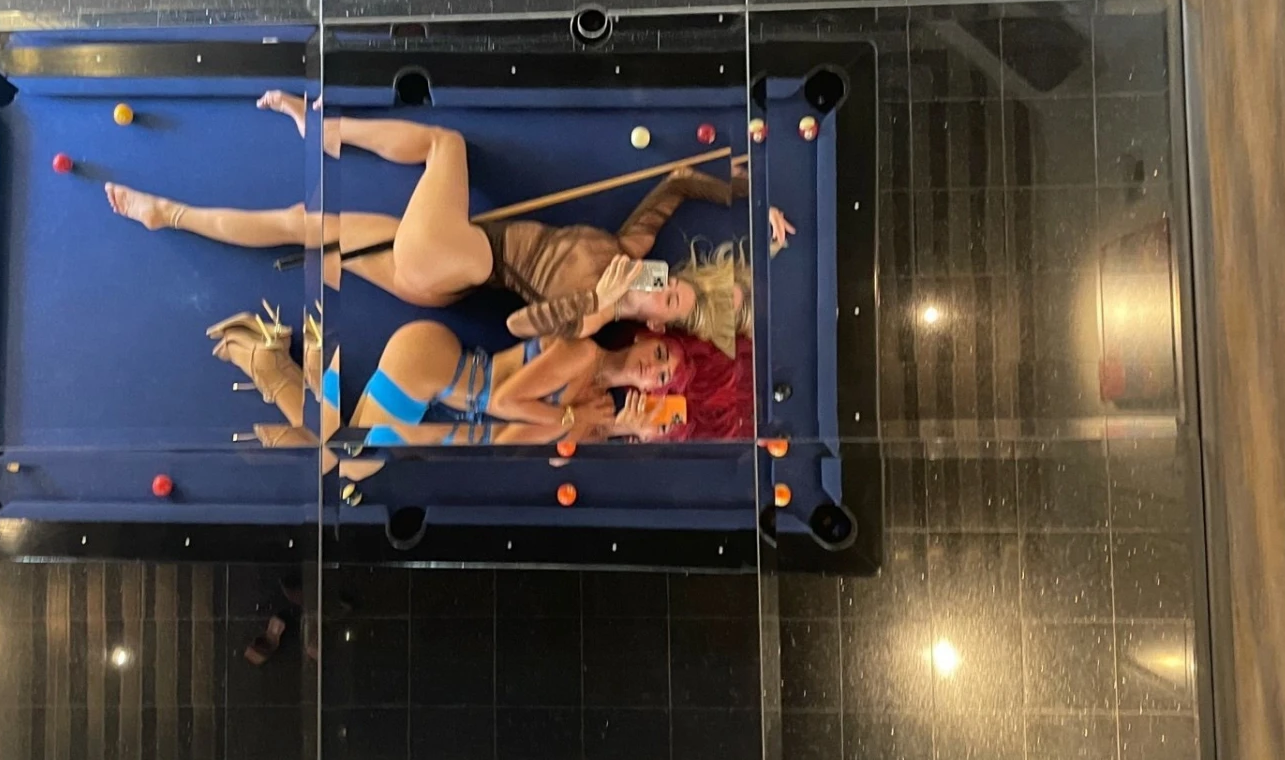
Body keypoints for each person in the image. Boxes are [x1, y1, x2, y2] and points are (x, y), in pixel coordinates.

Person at [105, 92, 790, 356]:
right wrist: (748, 193)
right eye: (674, 280)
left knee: (446, 145)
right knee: (303, 223)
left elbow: (518, 325)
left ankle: (326, 130)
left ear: (661, 324)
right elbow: (676, 183)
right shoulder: (630, 247)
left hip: (454, 264)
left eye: (667, 299)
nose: (659, 284)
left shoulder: (597, 319)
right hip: (442, 266)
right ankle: (167, 214)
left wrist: (600, 304)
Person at [209, 308, 752, 479]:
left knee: (349, 461)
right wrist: (570, 419)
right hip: (429, 364)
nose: (654, 369)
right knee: (348, 461)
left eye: (664, 379)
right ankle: (270, 362)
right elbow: (508, 401)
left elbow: (537, 451)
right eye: (662, 354)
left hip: (443, 398)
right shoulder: (583, 353)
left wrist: (614, 427)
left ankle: (281, 365)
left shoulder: (596, 404)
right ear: (645, 337)